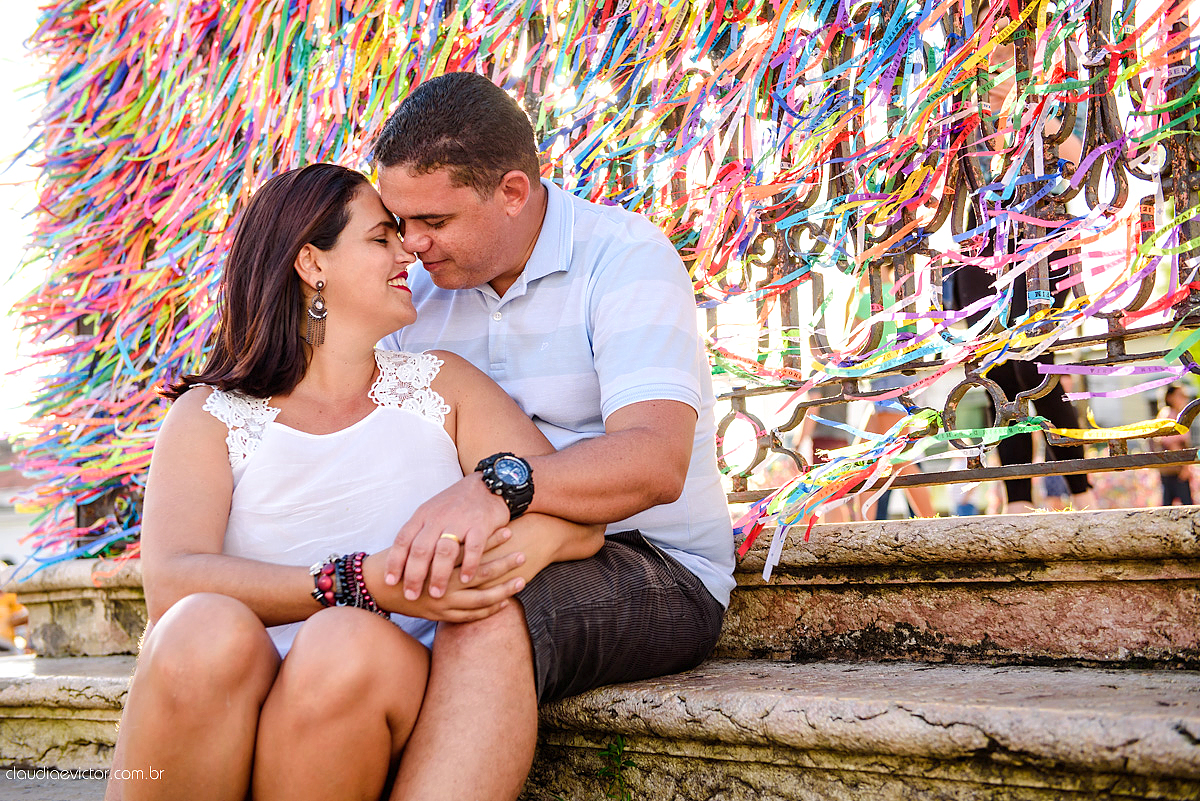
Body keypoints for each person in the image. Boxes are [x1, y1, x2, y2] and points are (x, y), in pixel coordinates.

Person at [104, 163, 603, 801]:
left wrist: (471, 565)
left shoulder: (440, 386)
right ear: (312, 264)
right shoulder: (209, 415)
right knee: (197, 627)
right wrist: (356, 580)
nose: (410, 252)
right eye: (381, 238)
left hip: (375, 681)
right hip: (231, 687)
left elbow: (573, 506)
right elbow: (171, 582)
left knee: (342, 640)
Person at [372, 72, 735, 800]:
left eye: (434, 220)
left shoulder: (625, 257)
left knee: (486, 606)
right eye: (399, 220)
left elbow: (654, 460)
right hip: (484, 546)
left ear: (511, 191)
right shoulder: (414, 295)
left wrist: (500, 489)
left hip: (656, 562)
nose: (413, 244)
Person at [1155, 383, 1194, 506]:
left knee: (1170, 502)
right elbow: (1170, 442)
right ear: (1169, 398)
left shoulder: (1178, 415)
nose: (1184, 398)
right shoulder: (1170, 415)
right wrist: (1184, 466)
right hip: (1175, 467)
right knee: (1185, 505)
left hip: (1175, 467)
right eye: (1180, 395)